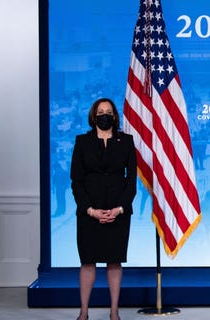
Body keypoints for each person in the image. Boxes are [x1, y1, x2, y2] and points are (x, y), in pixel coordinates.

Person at [70, 97, 137, 320]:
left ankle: (114, 312)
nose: (104, 115)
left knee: (114, 261)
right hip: (89, 213)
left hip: (117, 212)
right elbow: (76, 181)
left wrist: (119, 209)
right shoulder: (82, 141)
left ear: (115, 116)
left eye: (108, 111)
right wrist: (90, 209)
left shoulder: (126, 141)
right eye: (100, 111)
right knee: (88, 261)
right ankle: (83, 312)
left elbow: (131, 181)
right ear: (94, 116)